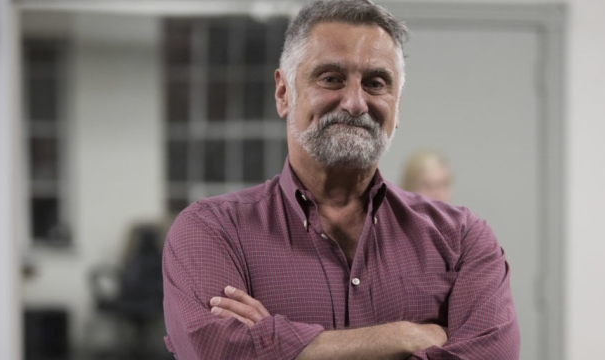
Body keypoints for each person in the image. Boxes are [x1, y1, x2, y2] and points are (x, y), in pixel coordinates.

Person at [162, 1, 520, 359]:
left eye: (375, 83)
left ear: (398, 106)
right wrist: (404, 336)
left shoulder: (461, 240)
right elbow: (214, 351)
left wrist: (277, 344)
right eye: (331, 79)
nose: (355, 103)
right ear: (284, 93)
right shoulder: (212, 231)